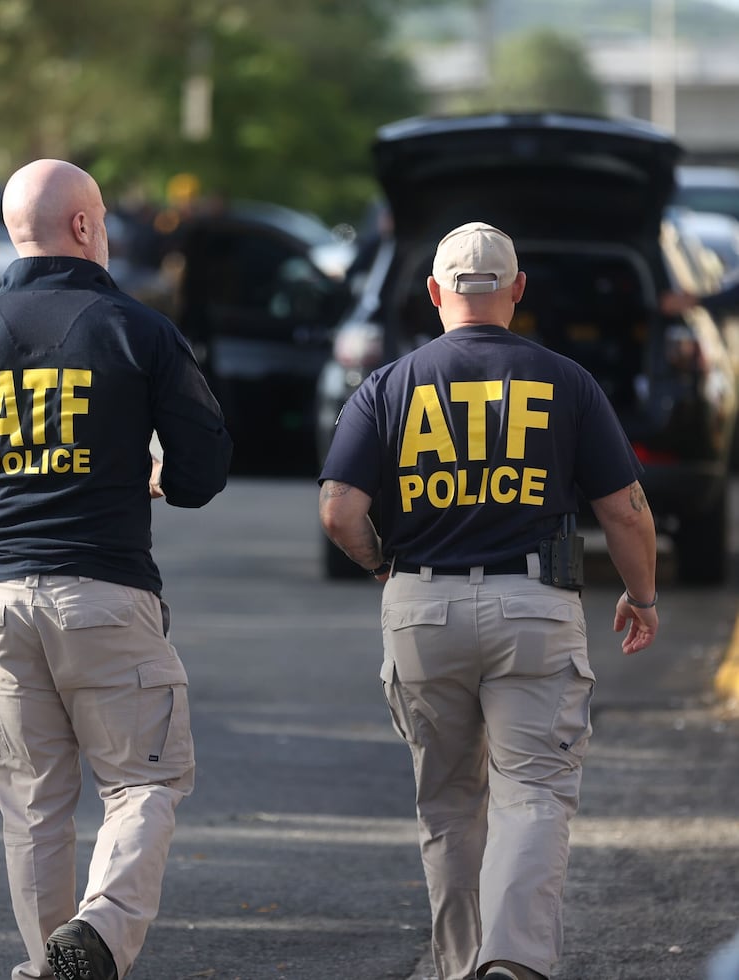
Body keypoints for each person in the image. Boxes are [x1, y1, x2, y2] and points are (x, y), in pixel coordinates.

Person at [0, 159, 232, 980]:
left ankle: (52, 969)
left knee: (33, 806)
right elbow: (202, 471)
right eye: (102, 218)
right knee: (144, 782)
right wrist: (151, 477)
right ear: (83, 226)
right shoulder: (140, 330)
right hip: (104, 593)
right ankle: (99, 932)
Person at [317, 221, 658, 980]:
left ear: (434, 293)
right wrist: (643, 594)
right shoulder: (566, 382)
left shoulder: (389, 384)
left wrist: (382, 564)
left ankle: (462, 965)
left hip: (422, 608)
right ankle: (512, 961)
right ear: (518, 291)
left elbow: (339, 510)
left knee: (447, 804)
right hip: (534, 608)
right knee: (533, 791)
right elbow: (627, 512)